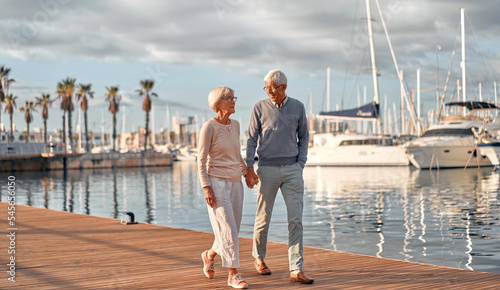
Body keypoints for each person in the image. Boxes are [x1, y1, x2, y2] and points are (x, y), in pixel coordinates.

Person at [245, 69, 314, 284]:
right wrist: (249, 167)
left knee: (296, 220)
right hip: (266, 169)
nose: (269, 92)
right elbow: (250, 140)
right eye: (266, 88)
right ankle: (259, 258)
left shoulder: (298, 107)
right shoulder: (259, 108)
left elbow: (304, 137)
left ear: (284, 87)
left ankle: (296, 267)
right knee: (263, 218)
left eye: (272, 88)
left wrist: (300, 163)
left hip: (293, 169)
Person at [198, 86, 248, 289]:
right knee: (226, 228)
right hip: (216, 182)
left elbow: (238, 155)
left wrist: (247, 173)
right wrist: (206, 187)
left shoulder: (235, 125)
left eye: (233, 97)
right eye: (228, 98)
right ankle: (233, 275)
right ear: (217, 103)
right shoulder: (209, 127)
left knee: (232, 230)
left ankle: (209, 255)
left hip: (236, 181)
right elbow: (200, 160)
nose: (233, 101)